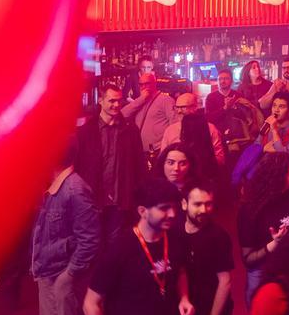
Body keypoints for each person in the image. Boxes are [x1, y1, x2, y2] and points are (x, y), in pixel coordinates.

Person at [84, 179, 195, 315]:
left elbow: (180, 270)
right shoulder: (120, 249)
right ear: (143, 211)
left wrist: (184, 298)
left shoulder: (174, 239)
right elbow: (90, 303)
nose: (173, 214)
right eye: (164, 208)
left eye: (174, 206)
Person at [26, 138, 100, 315]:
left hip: (62, 273)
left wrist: (69, 275)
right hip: (47, 271)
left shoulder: (75, 189)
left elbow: (90, 239)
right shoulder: (54, 187)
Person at [166, 182, 232, 315]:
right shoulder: (173, 232)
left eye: (209, 204)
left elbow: (225, 282)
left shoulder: (218, 236)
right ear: (184, 204)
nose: (204, 210)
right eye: (198, 204)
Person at [238, 153, 289, 307]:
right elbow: (248, 260)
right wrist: (274, 245)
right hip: (263, 271)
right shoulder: (249, 209)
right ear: (279, 174)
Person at [76, 85, 146, 243]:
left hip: (120, 202)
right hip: (92, 202)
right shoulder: (86, 132)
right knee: (92, 244)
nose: (116, 105)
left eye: (119, 100)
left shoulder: (130, 130)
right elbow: (79, 167)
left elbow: (139, 166)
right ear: (100, 100)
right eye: (111, 101)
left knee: (115, 246)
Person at [161, 94, 225, 168]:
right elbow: (163, 158)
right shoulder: (170, 130)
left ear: (195, 107)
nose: (179, 111)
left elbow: (220, 158)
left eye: (183, 107)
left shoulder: (209, 128)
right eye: (177, 107)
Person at [123, 72, 177, 155]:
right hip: (140, 151)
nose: (143, 87)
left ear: (154, 84)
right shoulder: (140, 101)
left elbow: (174, 126)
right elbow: (122, 114)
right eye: (141, 84)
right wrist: (141, 99)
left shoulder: (166, 100)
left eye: (147, 84)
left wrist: (167, 150)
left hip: (158, 151)